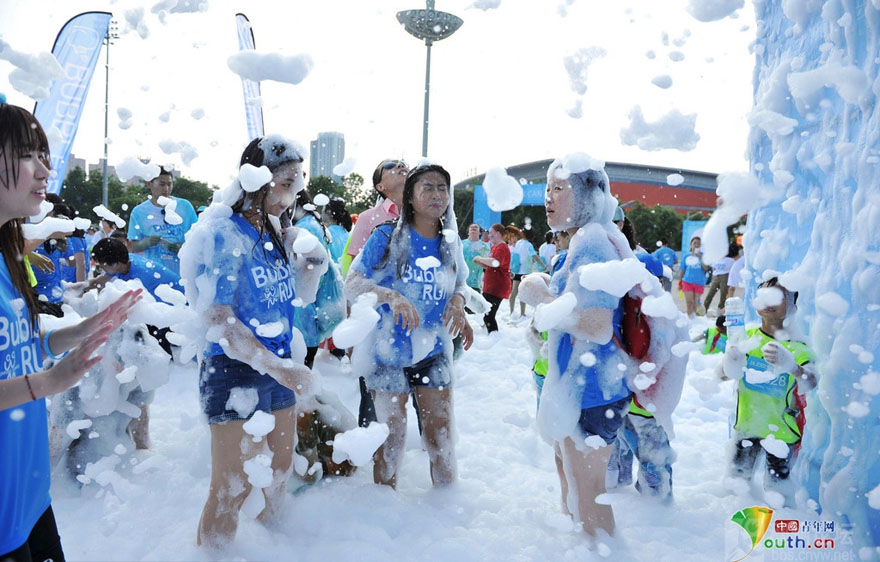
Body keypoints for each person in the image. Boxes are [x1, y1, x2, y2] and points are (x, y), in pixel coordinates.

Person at [0, 102, 141, 562]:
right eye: (27, 155)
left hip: (28, 491)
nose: (45, 170)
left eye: (44, 154)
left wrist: (81, 331)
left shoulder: (8, 258)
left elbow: (19, 350)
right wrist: (50, 383)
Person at [177, 135, 323, 548]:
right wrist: (280, 368)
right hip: (233, 370)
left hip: (276, 365)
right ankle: (214, 555)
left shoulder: (277, 230)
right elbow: (218, 320)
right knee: (232, 485)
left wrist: (311, 263)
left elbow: (299, 297)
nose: (294, 191)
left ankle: (269, 547)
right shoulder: (223, 232)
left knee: (279, 472)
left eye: (299, 181)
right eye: (286, 181)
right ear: (256, 180)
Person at [516, 158, 633, 539]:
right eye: (548, 188)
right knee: (576, 489)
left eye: (560, 188)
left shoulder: (593, 243)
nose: (549, 197)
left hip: (596, 391)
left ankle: (600, 551)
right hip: (582, 387)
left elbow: (597, 327)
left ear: (588, 195)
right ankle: (582, 548)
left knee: (590, 495)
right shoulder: (581, 243)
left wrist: (543, 297)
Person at [345, 163, 474, 488]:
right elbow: (353, 282)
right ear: (411, 198)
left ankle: (446, 514)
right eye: (426, 188)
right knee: (391, 439)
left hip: (432, 349)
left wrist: (459, 305)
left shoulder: (448, 241)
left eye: (442, 188)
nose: (436, 194)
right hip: (388, 350)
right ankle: (386, 520)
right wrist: (391, 296)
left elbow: (459, 284)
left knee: (440, 436)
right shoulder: (386, 235)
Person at [718, 277, 816, 505]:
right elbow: (724, 374)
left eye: (779, 297)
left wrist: (793, 367)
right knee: (736, 490)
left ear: (792, 306)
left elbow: (811, 382)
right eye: (765, 295)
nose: (770, 302)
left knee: (778, 496)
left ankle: (776, 532)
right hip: (746, 429)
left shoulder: (798, 349)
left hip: (782, 435)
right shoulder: (746, 338)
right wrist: (731, 360)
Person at [605, 253, 674, 503]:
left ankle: (629, 488)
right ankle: (656, 503)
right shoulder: (655, 310)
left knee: (626, 447)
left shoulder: (619, 305)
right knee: (653, 458)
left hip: (623, 397)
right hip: (644, 401)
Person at [341, 159, 408, 276]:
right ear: (380, 186)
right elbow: (357, 272)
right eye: (390, 165)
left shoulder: (424, 217)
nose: (400, 165)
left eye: (404, 165)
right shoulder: (367, 218)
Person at [127, 166, 198, 275]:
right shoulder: (139, 212)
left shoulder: (185, 206)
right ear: (149, 184)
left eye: (169, 184)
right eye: (161, 184)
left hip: (182, 272)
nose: (166, 189)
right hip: (154, 272)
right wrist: (148, 242)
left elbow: (197, 237)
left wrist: (183, 247)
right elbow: (133, 246)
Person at [473, 223, 511, 333]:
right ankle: (490, 338)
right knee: (486, 313)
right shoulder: (494, 247)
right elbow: (490, 265)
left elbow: (495, 263)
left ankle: (494, 338)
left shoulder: (502, 247)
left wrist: (480, 258)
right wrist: (480, 262)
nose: (489, 236)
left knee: (488, 315)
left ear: (498, 234)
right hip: (491, 286)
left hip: (497, 287)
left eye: (491, 234)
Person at [506, 225, 542, 319]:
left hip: (516, 270)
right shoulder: (529, 245)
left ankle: (511, 311)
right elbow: (534, 256)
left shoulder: (518, 243)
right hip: (526, 272)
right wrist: (542, 265)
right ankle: (522, 313)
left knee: (514, 292)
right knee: (523, 292)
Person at [677, 236, 709, 319]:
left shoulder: (703, 256)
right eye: (695, 243)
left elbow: (706, 268)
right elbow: (682, 270)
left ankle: (693, 320)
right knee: (689, 302)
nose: (697, 245)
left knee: (695, 303)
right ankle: (689, 320)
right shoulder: (686, 256)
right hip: (687, 282)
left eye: (699, 244)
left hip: (699, 283)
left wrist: (700, 258)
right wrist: (679, 282)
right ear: (691, 245)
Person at [703, 242, 739, 314]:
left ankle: (721, 312)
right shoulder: (716, 259)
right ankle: (704, 310)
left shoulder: (730, 260)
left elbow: (735, 268)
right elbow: (710, 267)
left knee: (723, 296)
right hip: (716, 277)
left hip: (725, 277)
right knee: (710, 294)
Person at [462, 223, 490, 296]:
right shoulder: (461, 244)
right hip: (461, 282)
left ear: (480, 232)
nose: (473, 227)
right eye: (471, 227)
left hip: (475, 283)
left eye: (476, 227)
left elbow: (488, 264)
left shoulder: (485, 247)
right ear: (468, 232)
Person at [323, 197, 352, 263]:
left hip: (336, 271)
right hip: (347, 271)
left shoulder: (328, 233)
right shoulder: (345, 232)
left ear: (328, 212)